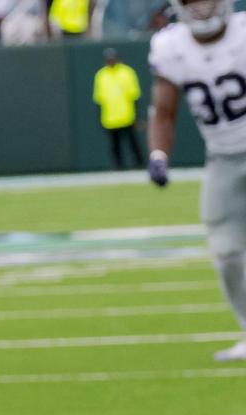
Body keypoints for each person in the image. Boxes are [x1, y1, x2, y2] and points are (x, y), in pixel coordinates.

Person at [151, 0, 246, 361]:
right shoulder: (171, 46)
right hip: (221, 157)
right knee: (226, 254)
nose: (202, 7)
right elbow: (163, 112)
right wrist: (159, 156)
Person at [95, 48, 143, 169]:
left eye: (112, 58)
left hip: (127, 114)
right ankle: (118, 166)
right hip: (110, 117)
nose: (110, 61)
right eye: (108, 59)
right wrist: (99, 116)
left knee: (133, 142)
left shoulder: (127, 72)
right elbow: (99, 99)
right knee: (114, 145)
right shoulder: (101, 75)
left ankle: (139, 164)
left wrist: (137, 115)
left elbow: (134, 95)